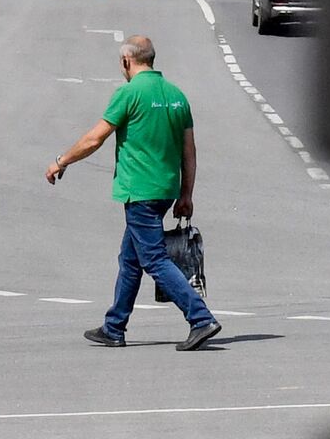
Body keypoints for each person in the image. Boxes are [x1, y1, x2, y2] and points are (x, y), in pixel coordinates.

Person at [46, 35, 219, 351]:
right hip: (166, 190)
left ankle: (200, 318)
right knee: (130, 258)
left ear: (127, 62)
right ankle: (114, 327)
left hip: (139, 192)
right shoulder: (177, 95)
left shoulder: (128, 93)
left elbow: (94, 139)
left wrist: (62, 161)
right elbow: (189, 151)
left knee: (153, 259)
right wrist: (186, 195)